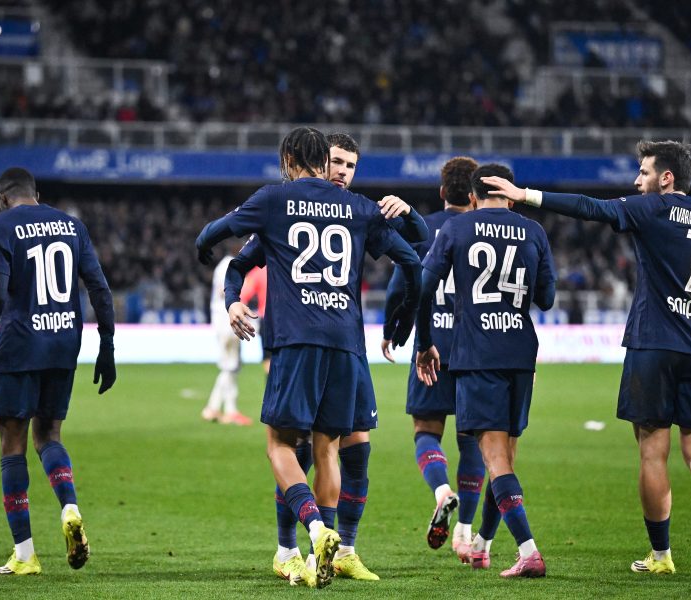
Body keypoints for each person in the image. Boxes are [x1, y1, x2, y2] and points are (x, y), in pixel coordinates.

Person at [482, 140, 691, 581]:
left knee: (653, 453)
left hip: (653, 345)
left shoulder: (655, 209)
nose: (636, 180)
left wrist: (527, 195)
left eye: (644, 172)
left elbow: (593, 208)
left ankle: (661, 554)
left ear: (666, 179)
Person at [195, 127, 422, 589]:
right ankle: (297, 547)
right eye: (336, 162)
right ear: (323, 161)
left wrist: (205, 254)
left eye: (350, 166)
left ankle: (318, 531)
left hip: (301, 341)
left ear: (290, 158)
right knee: (324, 447)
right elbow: (415, 258)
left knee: (286, 444)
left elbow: (214, 237)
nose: (342, 171)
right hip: (341, 340)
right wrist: (403, 322)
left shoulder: (276, 202)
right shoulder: (360, 211)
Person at [0, 167, 117, 575]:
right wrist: (107, 346)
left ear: (1, 198)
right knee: (49, 434)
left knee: (13, 442)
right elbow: (99, 288)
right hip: (64, 342)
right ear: (37, 194)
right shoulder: (71, 225)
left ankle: (25, 555)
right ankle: (70, 507)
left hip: (21, 343)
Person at [415, 163, 557, 579]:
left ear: (473, 197)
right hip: (521, 353)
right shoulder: (534, 232)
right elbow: (546, 298)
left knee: (495, 459)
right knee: (506, 459)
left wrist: (425, 343)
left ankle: (529, 550)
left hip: (478, 355)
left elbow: (425, 286)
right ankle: (483, 545)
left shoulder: (457, 229)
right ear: (510, 195)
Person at [381, 156, 486, 561]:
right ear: (475, 195)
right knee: (472, 437)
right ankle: (464, 533)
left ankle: (442, 491)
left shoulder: (421, 228)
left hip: (431, 343)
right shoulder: (483, 230)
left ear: (442, 191)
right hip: (475, 346)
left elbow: (402, 284)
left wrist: (394, 330)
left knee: (426, 431)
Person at [200, 243, 253, 425]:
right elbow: (229, 295)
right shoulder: (230, 266)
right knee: (231, 365)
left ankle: (219, 408)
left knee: (230, 365)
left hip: (221, 320)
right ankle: (221, 409)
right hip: (227, 321)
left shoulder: (222, 265)